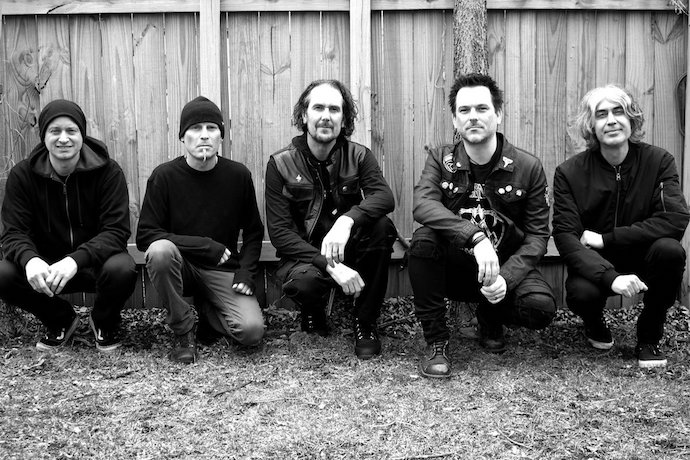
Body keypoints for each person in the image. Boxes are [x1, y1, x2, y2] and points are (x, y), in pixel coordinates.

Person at [409, 73, 556, 378]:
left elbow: (538, 236)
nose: (473, 117)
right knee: (423, 241)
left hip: (502, 266)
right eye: (464, 110)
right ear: (455, 119)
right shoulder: (440, 159)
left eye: (482, 108)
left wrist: (507, 277)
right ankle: (436, 341)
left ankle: (491, 317)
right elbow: (423, 205)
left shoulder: (528, 167)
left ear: (498, 114)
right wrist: (475, 237)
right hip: (456, 266)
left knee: (539, 308)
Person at [553, 85, 689, 368]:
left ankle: (649, 335)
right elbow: (566, 236)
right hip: (596, 265)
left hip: (645, 257)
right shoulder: (569, 173)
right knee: (581, 293)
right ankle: (594, 323)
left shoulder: (659, 161)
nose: (612, 120)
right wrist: (610, 276)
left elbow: (674, 218)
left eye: (619, 112)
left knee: (671, 251)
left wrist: (607, 238)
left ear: (631, 118)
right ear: (591, 125)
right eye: (601, 114)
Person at [265, 79, 396, 359]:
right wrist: (327, 264)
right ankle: (313, 311)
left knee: (383, 226)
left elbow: (384, 197)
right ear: (304, 115)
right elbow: (280, 233)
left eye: (334, 109)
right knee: (304, 284)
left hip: (350, 250)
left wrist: (347, 221)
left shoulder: (359, 155)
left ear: (344, 119)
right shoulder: (280, 164)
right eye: (318, 108)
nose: (326, 116)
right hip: (306, 258)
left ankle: (365, 322)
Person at [0, 99, 137, 352]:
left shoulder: (108, 172)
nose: (63, 138)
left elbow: (116, 231)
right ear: (44, 137)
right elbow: (13, 232)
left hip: (94, 264)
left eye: (71, 131)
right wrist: (30, 260)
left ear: (81, 135)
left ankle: (103, 322)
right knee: (3, 274)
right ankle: (60, 320)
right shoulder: (22, 176)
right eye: (55, 131)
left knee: (123, 268)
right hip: (47, 268)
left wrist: (75, 260)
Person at [136, 96, 265, 364]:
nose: (204, 135)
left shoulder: (238, 176)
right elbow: (146, 235)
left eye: (211, 128)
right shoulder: (164, 176)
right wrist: (204, 245)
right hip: (180, 266)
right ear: (182, 137)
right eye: (195, 128)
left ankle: (209, 312)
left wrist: (246, 271)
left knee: (251, 332)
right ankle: (183, 331)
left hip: (222, 269)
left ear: (221, 136)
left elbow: (254, 232)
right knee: (159, 251)